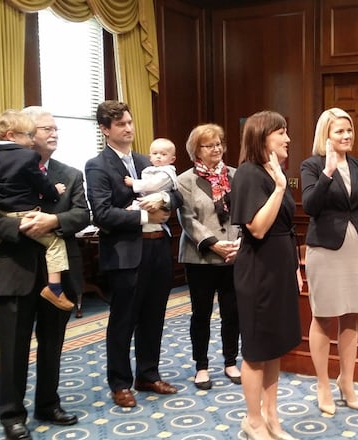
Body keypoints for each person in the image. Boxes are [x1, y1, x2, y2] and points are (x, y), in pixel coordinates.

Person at [0, 106, 90, 440]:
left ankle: (48, 405)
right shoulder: (0, 169)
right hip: (14, 271)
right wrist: (17, 226)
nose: (53, 133)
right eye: (46, 128)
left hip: (58, 275)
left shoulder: (70, 173)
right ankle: (12, 415)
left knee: (52, 345)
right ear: (25, 134)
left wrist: (54, 220)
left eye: (56, 128)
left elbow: (82, 214)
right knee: (13, 349)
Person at [84, 100, 183, 408]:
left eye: (129, 122)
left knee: (154, 316)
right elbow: (101, 214)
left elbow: (178, 194)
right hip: (125, 254)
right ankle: (120, 383)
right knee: (123, 320)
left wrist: (164, 200)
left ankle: (148, 375)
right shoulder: (97, 165)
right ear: (105, 129)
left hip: (158, 248)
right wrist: (144, 216)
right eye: (120, 124)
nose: (128, 128)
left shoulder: (147, 160)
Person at [299, 108, 358, 415]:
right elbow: (310, 206)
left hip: (356, 249)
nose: (347, 136)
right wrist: (328, 172)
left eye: (349, 130)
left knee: (351, 315)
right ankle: (323, 385)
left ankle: (347, 382)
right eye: (339, 132)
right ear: (326, 135)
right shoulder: (312, 165)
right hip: (325, 250)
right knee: (323, 316)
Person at [230, 111, 302, 440]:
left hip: (280, 267)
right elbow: (257, 228)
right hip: (258, 271)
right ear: (262, 137)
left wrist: (295, 268)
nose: (288, 138)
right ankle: (253, 419)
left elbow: (286, 228)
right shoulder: (249, 173)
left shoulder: (273, 172)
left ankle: (272, 416)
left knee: (275, 344)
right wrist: (280, 188)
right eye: (281, 132)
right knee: (257, 349)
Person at [0, 110, 72, 312]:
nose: (32, 140)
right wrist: (55, 192)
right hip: (24, 222)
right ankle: (55, 289)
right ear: (11, 135)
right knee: (55, 243)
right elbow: (42, 185)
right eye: (30, 135)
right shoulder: (28, 158)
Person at [177, 123, 241, 390]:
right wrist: (214, 244)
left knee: (232, 313)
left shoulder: (236, 176)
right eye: (209, 145)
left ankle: (230, 362)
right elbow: (187, 219)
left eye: (219, 144)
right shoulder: (184, 180)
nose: (216, 149)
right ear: (196, 150)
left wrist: (239, 243)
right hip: (200, 257)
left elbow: (245, 212)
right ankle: (201, 367)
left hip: (233, 256)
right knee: (201, 314)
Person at [124, 137, 179, 205]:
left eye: (163, 154)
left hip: (158, 201)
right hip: (146, 197)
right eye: (155, 153)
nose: (158, 156)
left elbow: (152, 184)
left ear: (172, 159)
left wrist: (134, 182)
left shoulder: (167, 172)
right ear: (150, 157)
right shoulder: (149, 168)